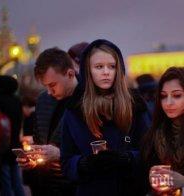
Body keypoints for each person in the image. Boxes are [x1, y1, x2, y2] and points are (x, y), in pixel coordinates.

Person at [60, 39, 151, 196]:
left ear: (119, 69)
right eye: (99, 67)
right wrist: (83, 163)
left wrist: (127, 158)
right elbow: (66, 161)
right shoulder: (74, 109)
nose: (106, 72)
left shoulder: (135, 105)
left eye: (112, 66)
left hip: (129, 189)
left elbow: (150, 151)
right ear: (88, 70)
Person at [18, 47, 82, 196]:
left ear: (70, 74)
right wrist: (32, 159)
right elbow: (39, 140)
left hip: (74, 188)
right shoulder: (43, 100)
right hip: (44, 187)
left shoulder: (90, 100)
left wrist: (61, 154)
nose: (49, 91)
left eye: (52, 85)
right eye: (45, 86)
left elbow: (98, 153)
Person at [141, 67, 184, 195]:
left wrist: (182, 181)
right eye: (163, 96)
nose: (168, 103)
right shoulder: (154, 135)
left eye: (177, 95)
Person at [0, 75, 25, 196]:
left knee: (5, 181)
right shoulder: (17, 101)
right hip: (15, 143)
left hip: (1, 146)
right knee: (16, 179)